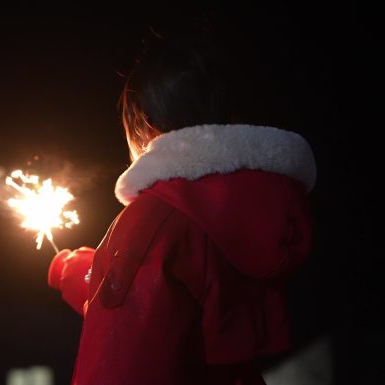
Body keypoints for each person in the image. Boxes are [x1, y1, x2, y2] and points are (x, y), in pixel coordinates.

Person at [47, 32, 316, 385]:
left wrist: (114, 268)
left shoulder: (155, 218)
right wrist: (92, 271)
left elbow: (121, 359)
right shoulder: (260, 207)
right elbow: (179, 310)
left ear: (145, 125)